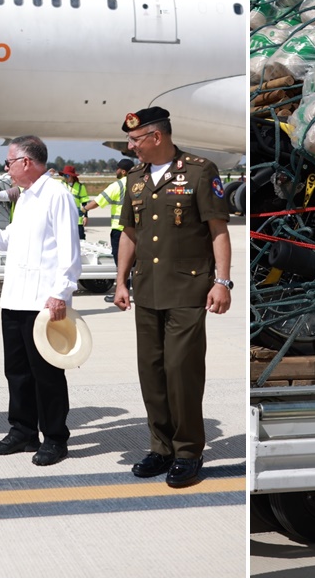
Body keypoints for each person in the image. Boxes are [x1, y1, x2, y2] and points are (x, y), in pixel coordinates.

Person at [112, 107, 232, 488]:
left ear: (157, 136)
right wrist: (120, 282)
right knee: (152, 372)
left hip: (187, 288)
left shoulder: (199, 171)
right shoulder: (134, 179)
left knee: (182, 371)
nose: (131, 147)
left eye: (136, 140)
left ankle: (188, 451)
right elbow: (129, 234)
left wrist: (223, 282)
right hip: (147, 289)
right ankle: (160, 448)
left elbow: (218, 230)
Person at [0, 136, 81, 466]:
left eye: (9, 162)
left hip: (43, 303)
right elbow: (12, 239)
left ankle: (55, 437)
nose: (7, 168)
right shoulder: (27, 197)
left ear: (27, 162)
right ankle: (23, 430)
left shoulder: (57, 195)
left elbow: (70, 251)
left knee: (46, 373)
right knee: (17, 371)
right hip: (15, 298)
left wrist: (61, 294)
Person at [85, 158, 135, 303]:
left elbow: (98, 202)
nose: (116, 171)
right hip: (138, 229)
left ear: (123, 171)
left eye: (118, 169)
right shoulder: (139, 183)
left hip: (120, 230)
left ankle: (121, 291)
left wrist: (83, 209)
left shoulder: (118, 185)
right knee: (138, 263)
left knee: (121, 263)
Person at [60, 165, 89, 240]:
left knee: (80, 240)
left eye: (67, 175)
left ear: (72, 176)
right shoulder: (61, 185)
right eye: (64, 175)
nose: (65, 177)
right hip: (64, 219)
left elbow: (84, 203)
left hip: (77, 220)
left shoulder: (80, 187)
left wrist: (85, 216)